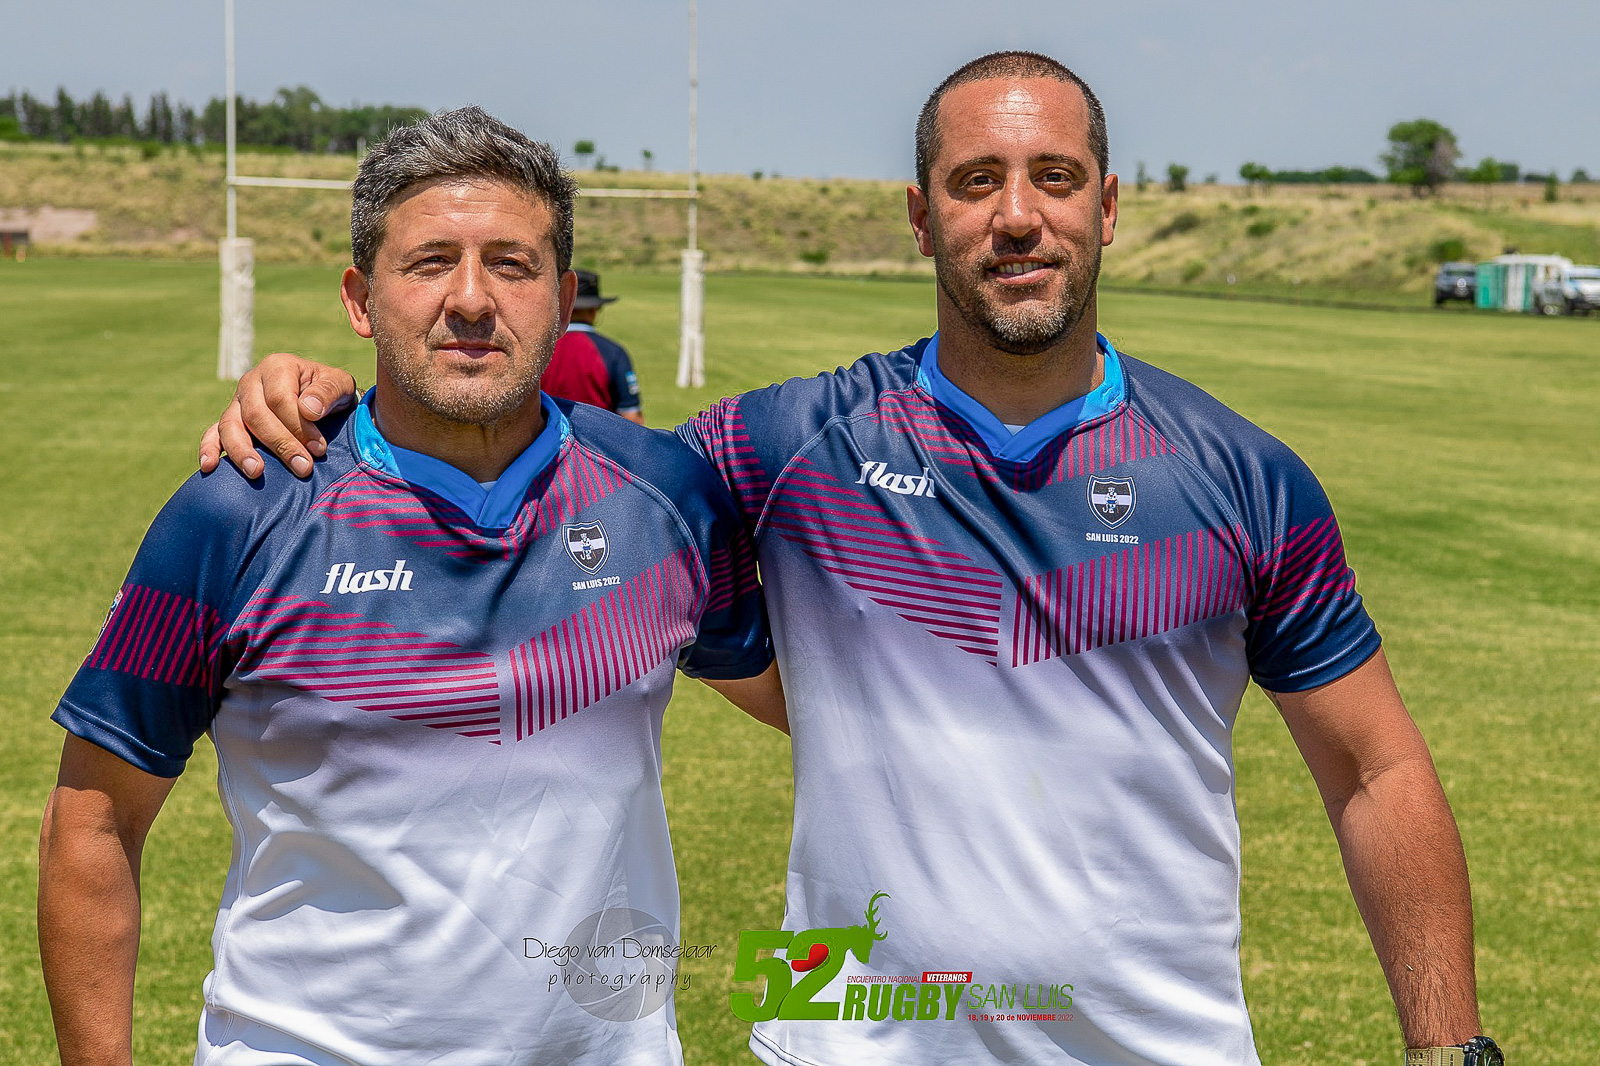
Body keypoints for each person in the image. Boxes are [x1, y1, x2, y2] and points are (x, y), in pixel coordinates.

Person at [198, 53, 1500, 1066]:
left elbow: (1375, 763)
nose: (1018, 215)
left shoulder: (1239, 474)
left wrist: (1451, 1045)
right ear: (921, 216)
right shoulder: (783, 443)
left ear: (1107, 208)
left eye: (1053, 177)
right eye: (977, 181)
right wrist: (318, 397)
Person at [39, 107, 784, 1066]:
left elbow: (842, 704)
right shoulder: (241, 512)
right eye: (429, 261)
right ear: (360, 298)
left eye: (512, 265)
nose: (470, 299)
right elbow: (93, 821)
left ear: (563, 297)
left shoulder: (664, 497)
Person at [541, 269, 646, 423]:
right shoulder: (612, 352)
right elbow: (632, 416)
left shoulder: (538, 349)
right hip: (597, 445)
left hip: (546, 443)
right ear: (594, 310)